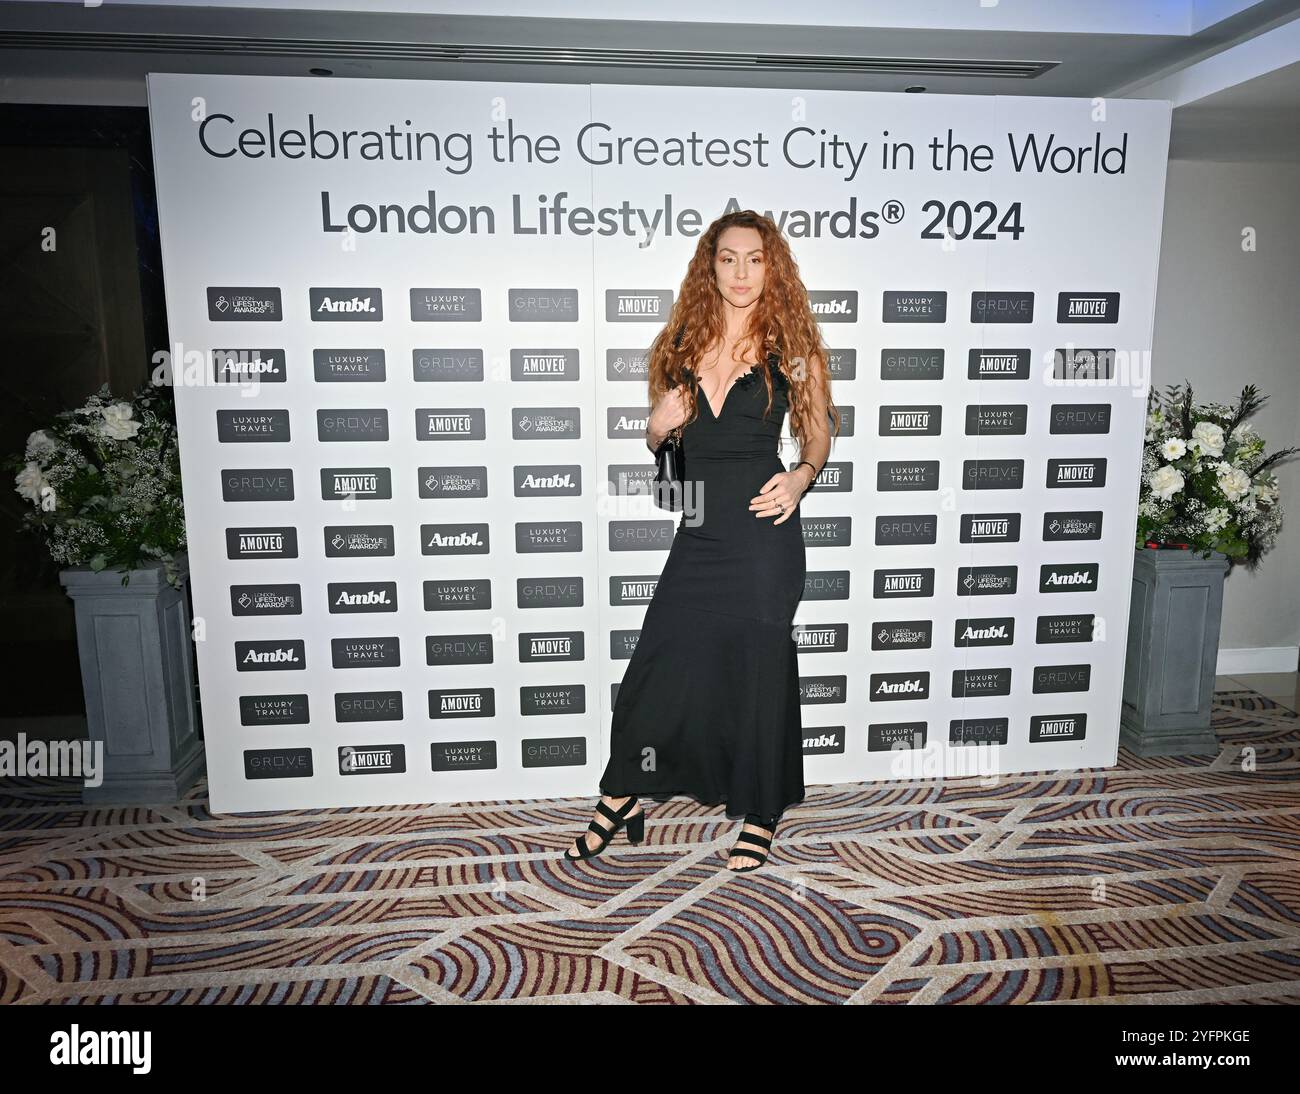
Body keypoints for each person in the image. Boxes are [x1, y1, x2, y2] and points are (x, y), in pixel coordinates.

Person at [565, 210, 841, 871]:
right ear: (708, 266)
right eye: (728, 258)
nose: (741, 272)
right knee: (657, 666)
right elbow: (666, 443)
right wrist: (653, 430)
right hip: (700, 533)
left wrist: (801, 477)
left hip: (763, 534)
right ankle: (624, 794)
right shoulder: (679, 345)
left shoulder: (792, 346)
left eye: (754, 259)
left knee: (759, 669)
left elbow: (820, 431)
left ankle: (760, 812)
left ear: (771, 267)